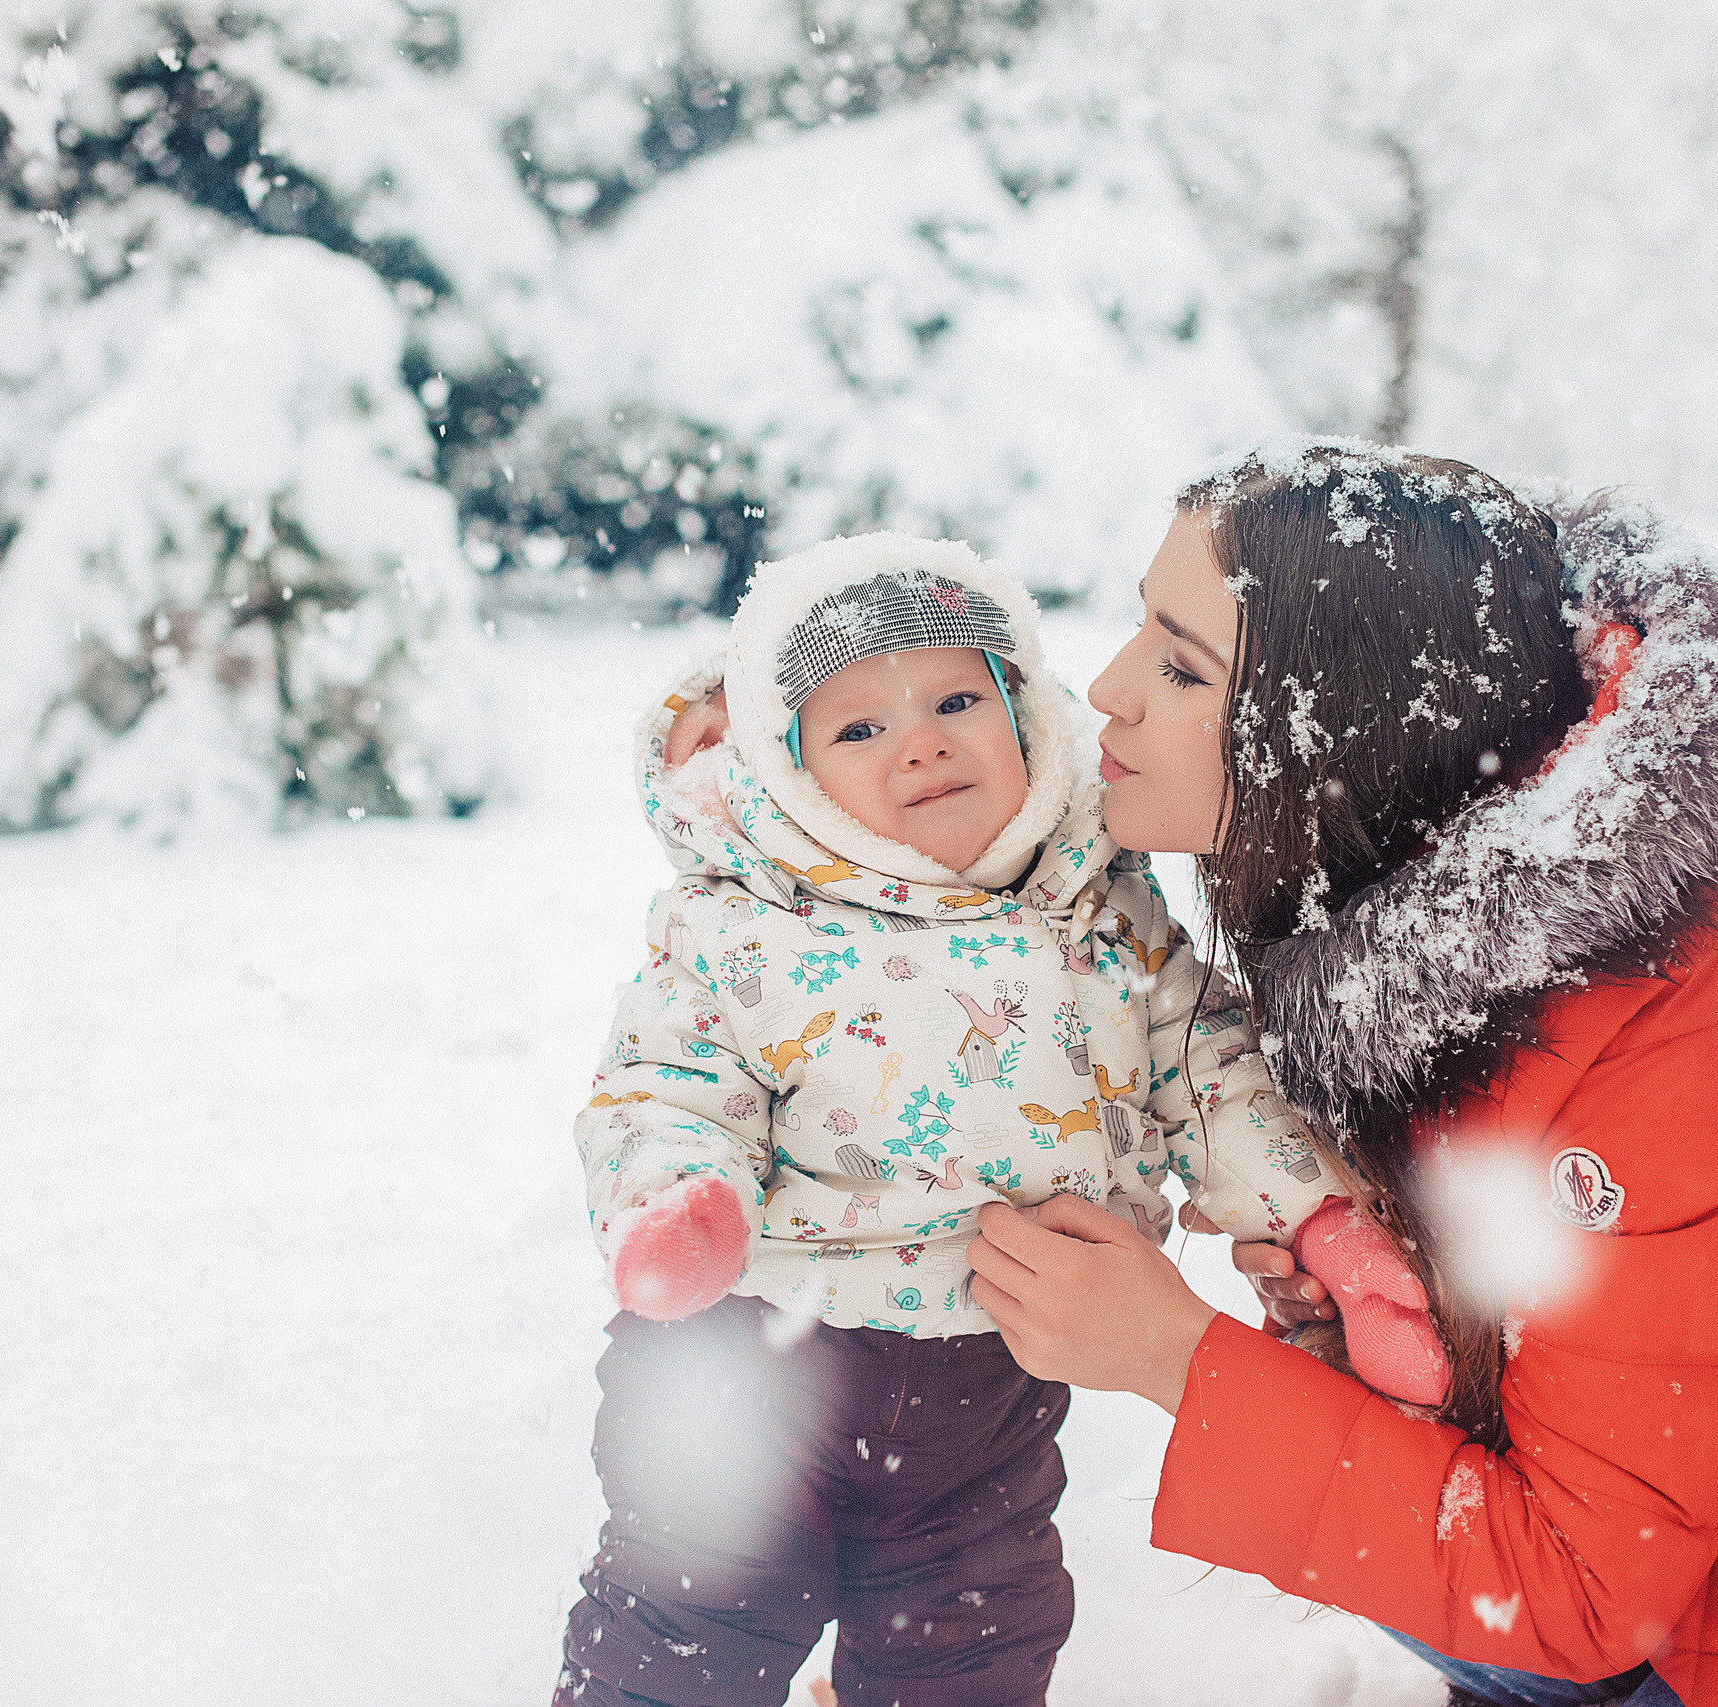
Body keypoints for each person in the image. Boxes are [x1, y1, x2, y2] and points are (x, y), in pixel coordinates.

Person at [963, 441, 1718, 1705]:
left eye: (1183, 666)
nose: (1109, 691)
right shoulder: (1456, 917)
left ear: (1344, 730)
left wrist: (1175, 1357)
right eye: (1139, 634)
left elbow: (1571, 1589)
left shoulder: (1654, 1034)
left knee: (1440, 1554)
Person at [557, 531, 1383, 1707]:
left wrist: (1313, 1213)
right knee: (692, 1621)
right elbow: (664, 1084)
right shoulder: (745, 927)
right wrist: (679, 1203)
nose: (924, 742)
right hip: (745, 1357)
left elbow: (1206, 1066)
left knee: (976, 1636)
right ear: (785, 775)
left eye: (956, 698)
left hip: (987, 1384)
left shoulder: (1093, 905)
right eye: (858, 729)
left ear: (1026, 712)